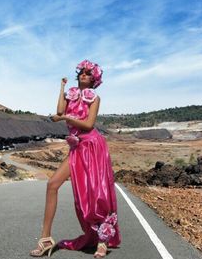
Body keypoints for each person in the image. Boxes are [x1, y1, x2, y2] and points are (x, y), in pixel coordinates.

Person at [30, 60, 121, 258]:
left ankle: (103, 241)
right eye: (82, 72)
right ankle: (46, 239)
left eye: (89, 73)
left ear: (94, 79)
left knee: (96, 194)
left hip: (92, 146)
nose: (84, 75)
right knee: (52, 184)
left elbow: (88, 125)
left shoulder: (95, 98)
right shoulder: (70, 93)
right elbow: (60, 111)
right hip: (77, 147)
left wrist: (64, 120)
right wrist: (61, 87)